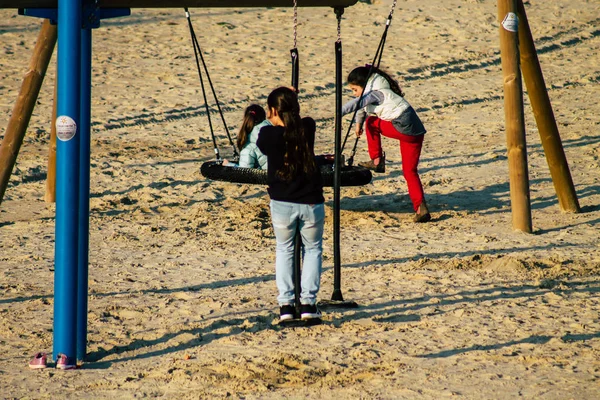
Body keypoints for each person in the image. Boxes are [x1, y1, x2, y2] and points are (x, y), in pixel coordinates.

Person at [256, 87, 325, 322]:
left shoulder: (267, 135)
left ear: (274, 110)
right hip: (311, 201)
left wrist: (273, 115)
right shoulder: (307, 128)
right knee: (313, 249)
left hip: (283, 202)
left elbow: (262, 135)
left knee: (285, 250)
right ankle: (308, 302)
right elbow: (300, 121)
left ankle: (286, 304)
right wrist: (291, 103)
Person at [342, 65, 431, 223]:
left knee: (371, 123)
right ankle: (420, 208)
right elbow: (362, 107)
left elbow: (357, 104)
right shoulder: (380, 91)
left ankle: (377, 160)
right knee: (410, 172)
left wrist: (338, 111)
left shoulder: (377, 93)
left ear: (365, 85)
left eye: (354, 89)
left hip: (403, 127)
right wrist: (357, 125)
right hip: (416, 133)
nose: (353, 93)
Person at [223, 104, 271, 169]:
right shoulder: (277, 131)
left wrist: (228, 165)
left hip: (271, 177)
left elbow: (244, 173)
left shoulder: (249, 147)